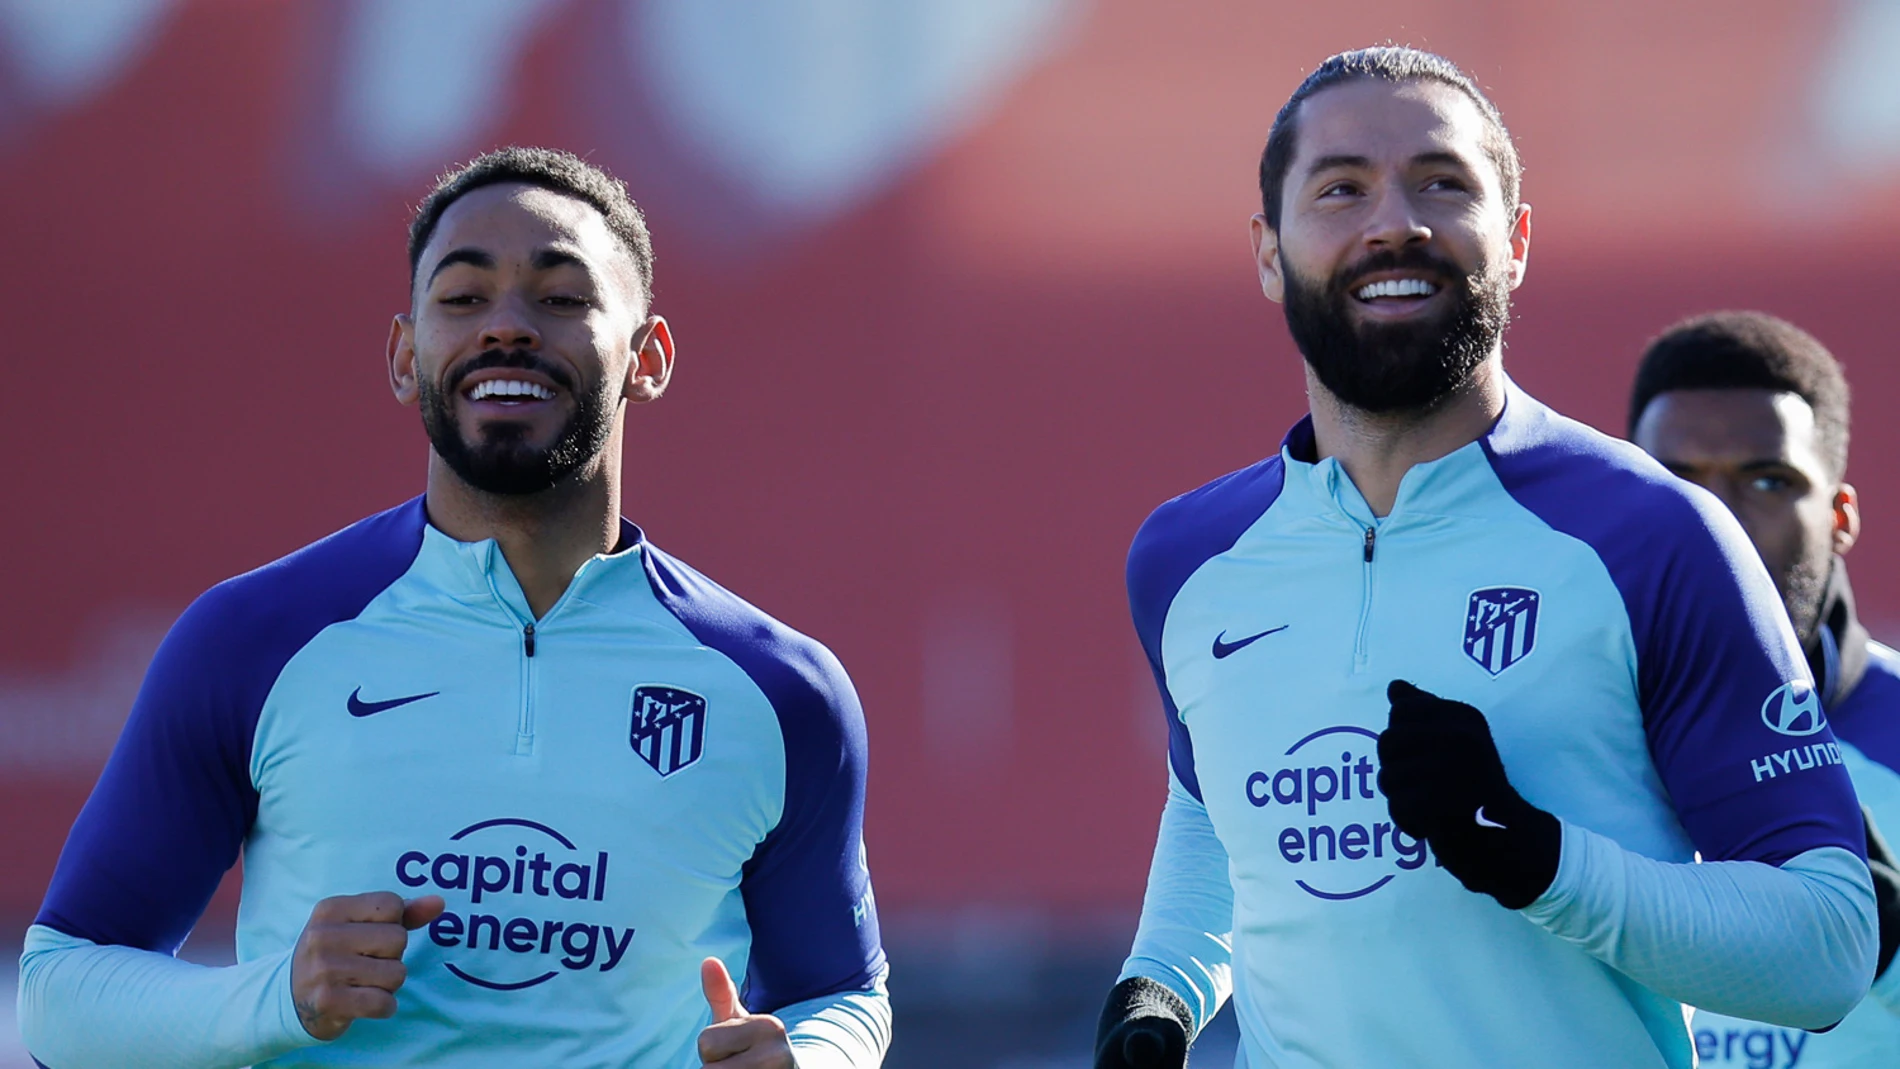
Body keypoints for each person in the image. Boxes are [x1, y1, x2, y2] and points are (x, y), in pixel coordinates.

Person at [17, 147, 890, 1069]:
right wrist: (275, 998)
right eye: (463, 298)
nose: (506, 328)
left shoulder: (780, 689)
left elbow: (844, 994)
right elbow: (58, 996)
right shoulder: (252, 641)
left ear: (649, 357)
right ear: (405, 355)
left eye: (560, 297)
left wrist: (808, 1057)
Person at [1092, 47, 1875, 1069]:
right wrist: (1161, 987)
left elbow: (1826, 948)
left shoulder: (1651, 536)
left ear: (1514, 241)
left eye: (1441, 183)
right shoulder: (1186, 558)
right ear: (1268, 251)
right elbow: (1214, 810)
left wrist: (1538, 859)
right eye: (1340, 188)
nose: (1392, 223)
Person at [1629, 311, 1900, 1068]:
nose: (1718, 522)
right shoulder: (1540, 733)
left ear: (1840, 516)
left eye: (1767, 480)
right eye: (1676, 483)